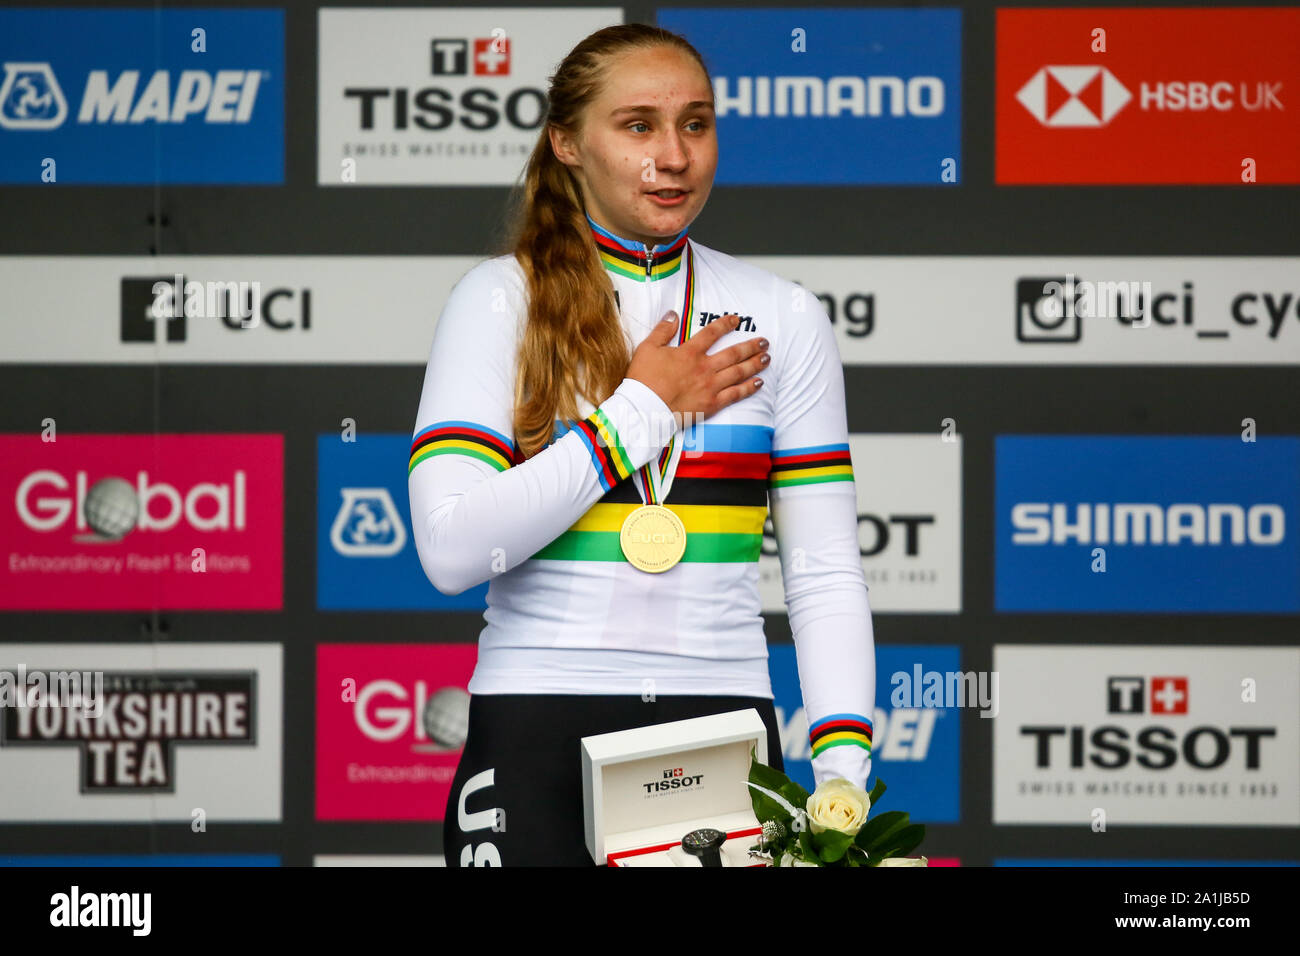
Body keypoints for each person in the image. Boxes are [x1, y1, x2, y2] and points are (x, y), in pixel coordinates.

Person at [409, 23, 875, 867]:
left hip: (724, 722)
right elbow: (451, 550)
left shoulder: (785, 315)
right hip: (536, 721)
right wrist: (642, 410)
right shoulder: (497, 302)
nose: (675, 155)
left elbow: (825, 572)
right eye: (638, 126)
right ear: (567, 142)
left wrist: (843, 768)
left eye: (695, 124)